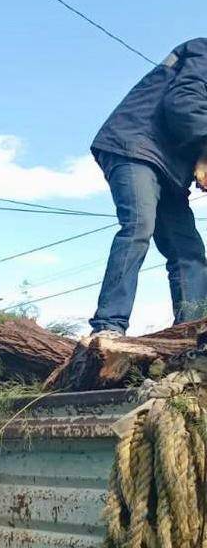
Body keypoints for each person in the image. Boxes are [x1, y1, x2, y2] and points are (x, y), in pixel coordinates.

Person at [90, 37, 207, 336]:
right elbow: (184, 103)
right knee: (139, 226)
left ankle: (192, 333)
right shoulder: (204, 50)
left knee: (189, 251)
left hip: (168, 167)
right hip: (135, 145)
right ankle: (109, 325)